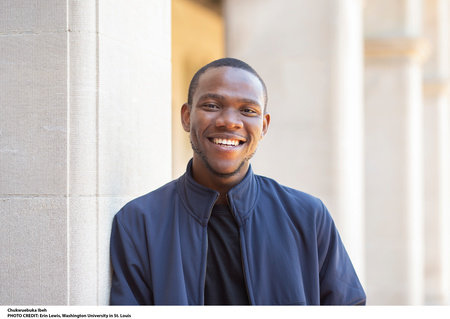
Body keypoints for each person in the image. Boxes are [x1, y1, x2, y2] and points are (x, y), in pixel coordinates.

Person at [109, 58, 366, 305]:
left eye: (248, 110)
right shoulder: (139, 221)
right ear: (186, 117)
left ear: (263, 126)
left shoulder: (308, 216)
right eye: (211, 105)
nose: (229, 121)